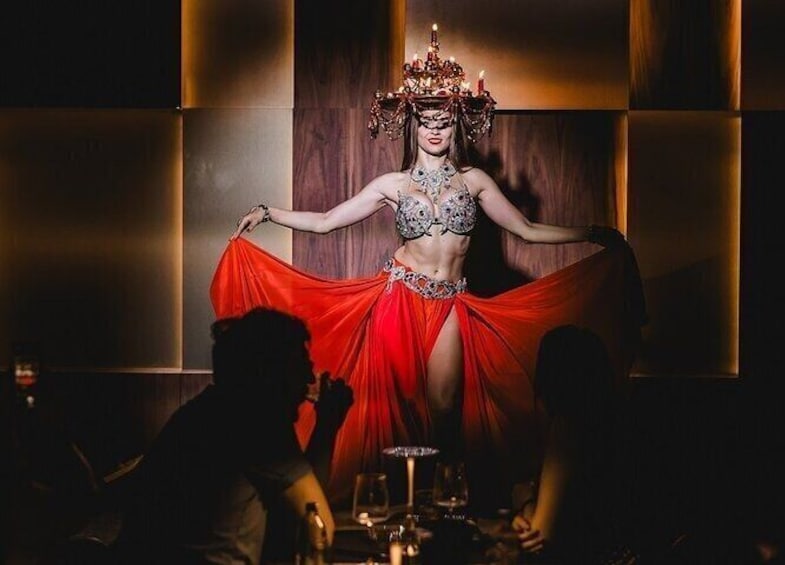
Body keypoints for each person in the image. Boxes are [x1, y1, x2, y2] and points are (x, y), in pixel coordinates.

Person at [214, 27, 644, 507]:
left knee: (444, 409)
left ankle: (442, 504)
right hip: (398, 296)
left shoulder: (475, 181)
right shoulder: (392, 185)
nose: (435, 129)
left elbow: (525, 229)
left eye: (443, 121)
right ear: (413, 126)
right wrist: (268, 212)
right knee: (397, 406)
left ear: (455, 125)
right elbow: (326, 221)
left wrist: (589, 233)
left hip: (450, 301)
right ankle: (400, 505)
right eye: (426, 121)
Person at [113, 308, 352, 564]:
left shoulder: (205, 411)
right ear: (270, 371)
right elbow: (318, 529)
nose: (308, 378)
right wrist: (327, 426)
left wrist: (327, 423)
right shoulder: (255, 421)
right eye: (300, 367)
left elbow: (306, 514)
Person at [511, 325, 635, 564]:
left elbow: (541, 540)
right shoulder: (617, 422)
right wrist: (526, 515)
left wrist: (523, 500)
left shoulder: (567, 427)